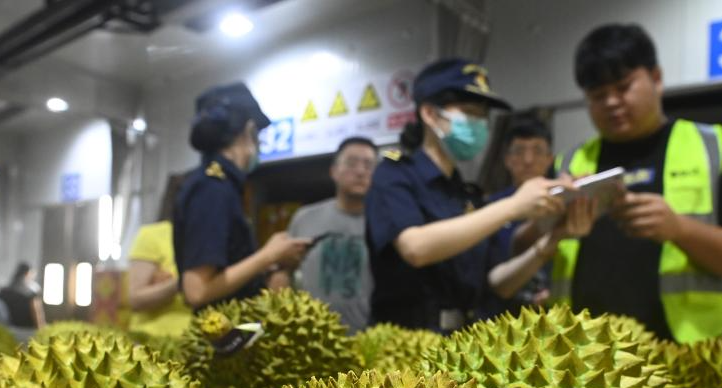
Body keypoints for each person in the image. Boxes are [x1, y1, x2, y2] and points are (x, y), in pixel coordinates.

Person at [544, 23, 722, 342]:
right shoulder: (567, 164)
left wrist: (680, 229)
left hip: (688, 356)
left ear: (656, 78)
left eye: (623, 87)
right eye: (598, 95)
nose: (611, 102)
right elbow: (523, 249)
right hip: (578, 355)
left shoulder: (716, 148)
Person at [364, 58, 588, 333]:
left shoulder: (467, 196)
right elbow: (415, 248)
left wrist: (550, 243)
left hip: (463, 339)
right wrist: (513, 206)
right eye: (469, 112)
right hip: (406, 342)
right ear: (430, 114)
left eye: (483, 117)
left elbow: (498, 283)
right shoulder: (394, 175)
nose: (479, 124)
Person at [174, 81, 310, 310]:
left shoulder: (222, 186)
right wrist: (269, 255)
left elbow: (225, 270)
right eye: (258, 137)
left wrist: (269, 266)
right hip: (224, 330)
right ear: (249, 130)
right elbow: (197, 290)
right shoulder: (212, 189)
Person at [268, 137, 377, 331]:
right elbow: (283, 270)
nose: (361, 172)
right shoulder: (305, 217)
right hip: (311, 334)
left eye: (369, 165)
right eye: (351, 163)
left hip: (370, 335)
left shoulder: (385, 222)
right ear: (334, 171)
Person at [480, 115, 557, 317]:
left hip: (556, 313)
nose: (528, 160)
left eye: (537, 151)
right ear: (507, 160)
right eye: (519, 151)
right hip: (500, 317)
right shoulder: (490, 208)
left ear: (550, 159)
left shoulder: (562, 203)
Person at [126, 174, 194, 335]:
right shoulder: (153, 235)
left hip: (200, 340)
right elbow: (136, 299)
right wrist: (182, 282)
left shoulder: (213, 239)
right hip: (152, 340)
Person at [0, 262, 46, 328]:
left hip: (8, 328)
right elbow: (37, 314)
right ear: (27, 273)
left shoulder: (3, 292)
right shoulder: (32, 292)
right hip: (26, 329)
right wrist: (42, 329)